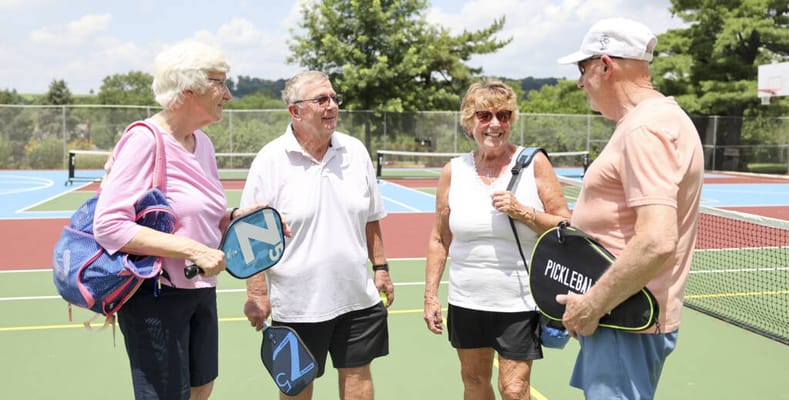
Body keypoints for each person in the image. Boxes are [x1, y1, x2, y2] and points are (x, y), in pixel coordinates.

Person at [93, 40, 253, 400]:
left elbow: (205, 214)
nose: (227, 95)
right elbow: (109, 225)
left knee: (202, 388)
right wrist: (193, 249)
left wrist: (238, 217)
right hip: (156, 295)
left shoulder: (203, 144)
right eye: (220, 83)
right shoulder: (144, 140)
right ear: (189, 88)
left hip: (200, 291)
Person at [555, 17, 704, 400]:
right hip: (623, 316)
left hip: (624, 319)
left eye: (583, 69)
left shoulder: (644, 128)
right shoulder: (660, 119)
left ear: (605, 66)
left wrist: (591, 305)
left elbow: (656, 240)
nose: (580, 81)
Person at [241, 70, 394, 400]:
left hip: (357, 296)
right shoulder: (270, 160)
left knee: (358, 378)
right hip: (298, 303)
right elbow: (251, 234)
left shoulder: (355, 152)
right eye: (321, 100)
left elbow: (371, 218)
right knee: (298, 389)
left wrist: (381, 268)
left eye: (334, 98)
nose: (332, 106)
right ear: (295, 111)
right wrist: (257, 293)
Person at [423, 79, 572, 400]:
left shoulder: (534, 164)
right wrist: (431, 296)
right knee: (474, 382)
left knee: (515, 390)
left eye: (503, 116)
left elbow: (565, 226)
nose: (495, 124)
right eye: (484, 115)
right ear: (469, 120)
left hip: (519, 302)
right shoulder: (453, 171)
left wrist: (524, 212)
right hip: (466, 300)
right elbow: (439, 238)